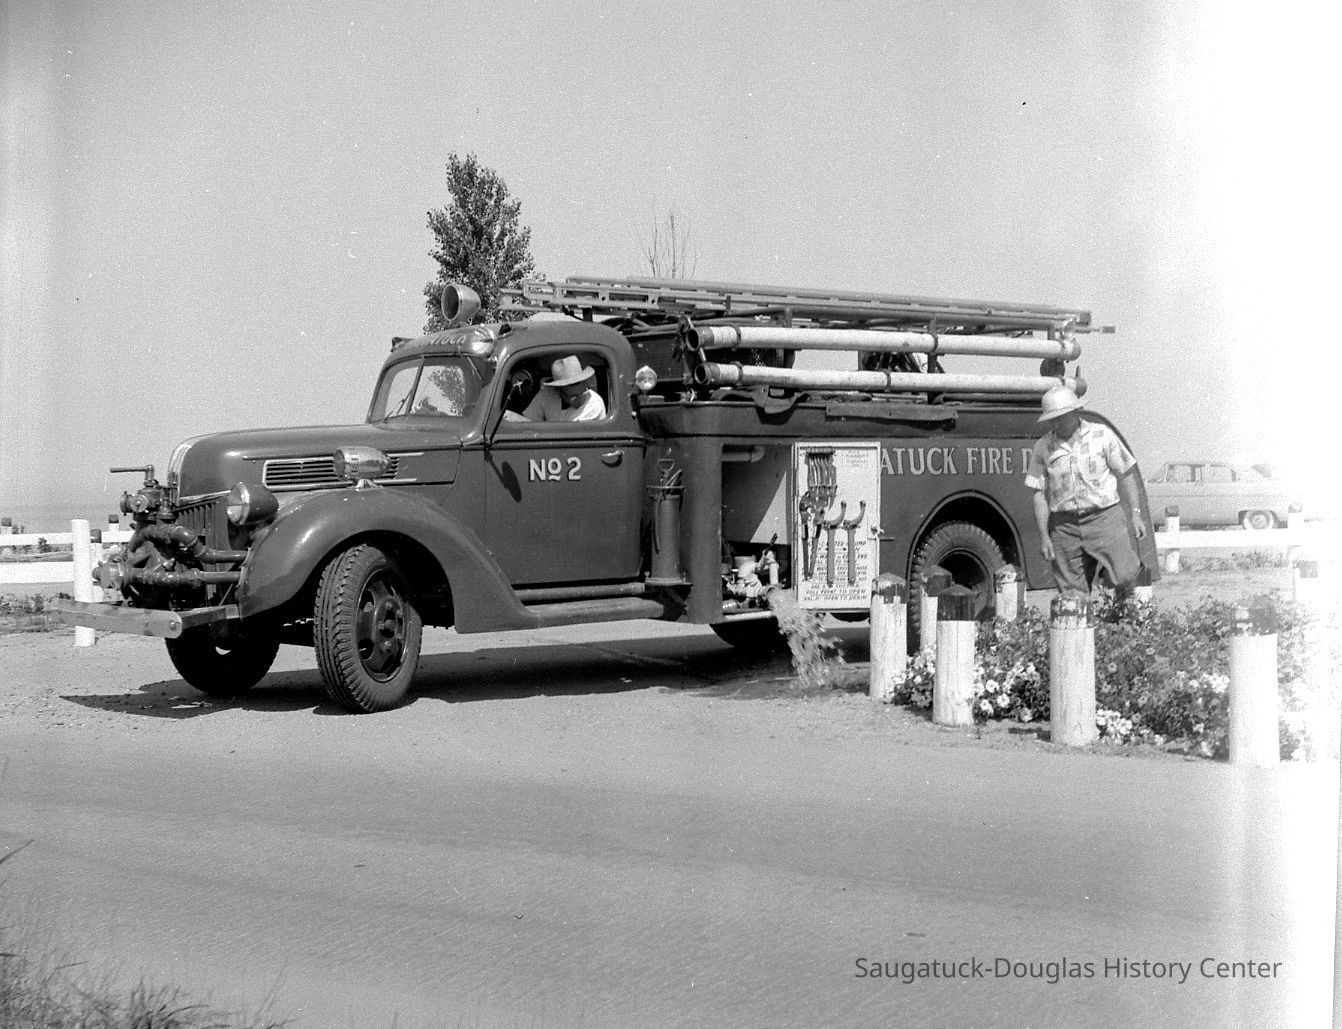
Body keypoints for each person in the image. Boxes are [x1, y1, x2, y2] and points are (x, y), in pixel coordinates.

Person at [1024, 384, 1147, 596]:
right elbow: (1038, 494)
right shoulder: (1042, 447)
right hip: (1064, 526)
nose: (1057, 422)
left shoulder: (1102, 436)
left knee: (1126, 574)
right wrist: (1044, 536)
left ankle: (1117, 610)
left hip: (1104, 518)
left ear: (1075, 411)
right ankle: (1083, 628)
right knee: (1071, 593)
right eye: (1052, 418)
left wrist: (1136, 514)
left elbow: (1126, 473)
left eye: (1061, 416)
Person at [513, 355, 607, 423]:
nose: (580, 394)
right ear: (558, 390)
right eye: (573, 396)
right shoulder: (548, 394)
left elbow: (566, 434)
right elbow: (529, 421)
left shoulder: (594, 404)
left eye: (582, 391)